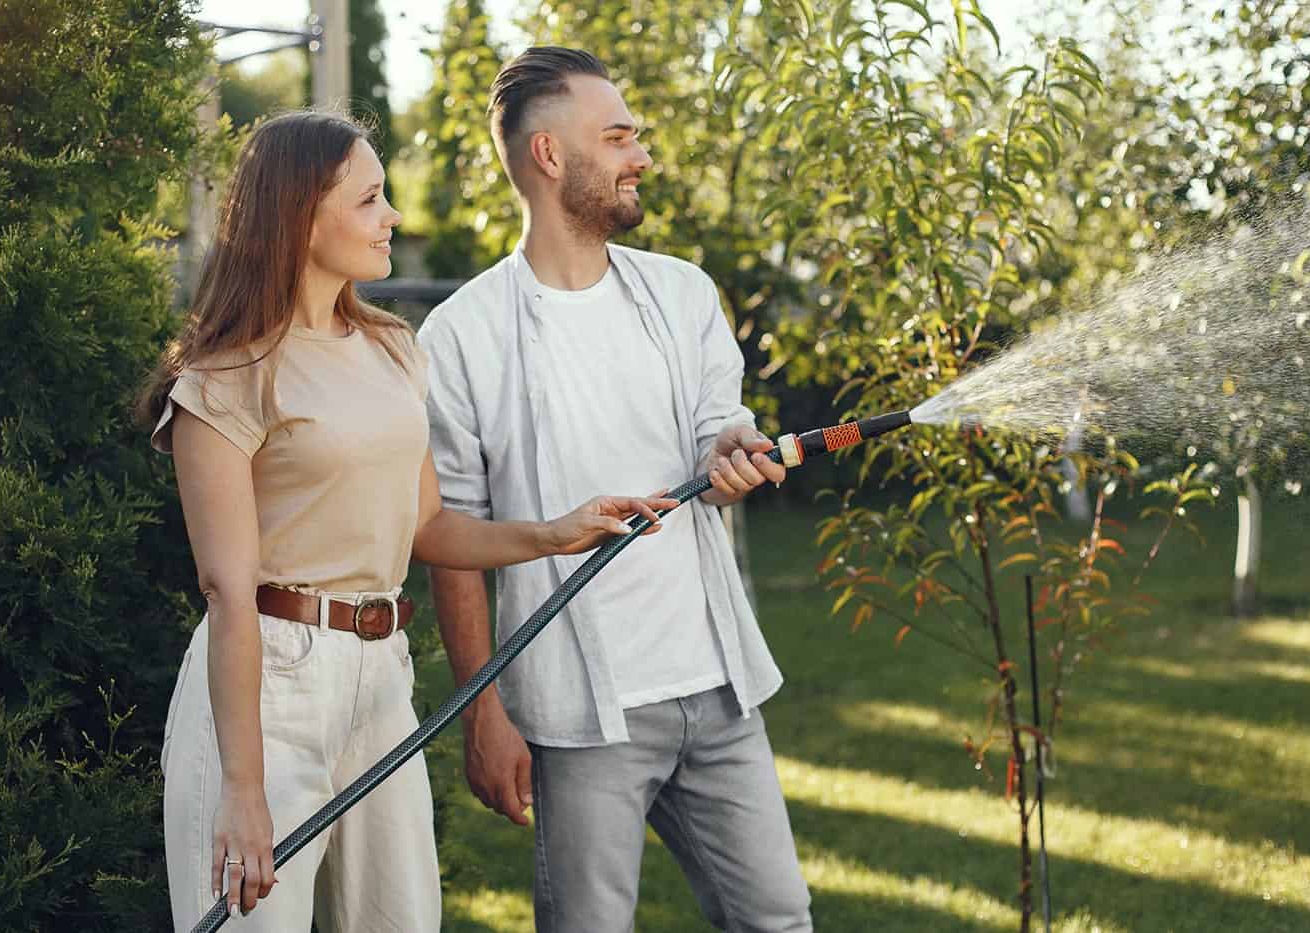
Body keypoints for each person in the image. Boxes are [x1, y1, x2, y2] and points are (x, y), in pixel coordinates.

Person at [139, 110, 675, 931]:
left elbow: (426, 524)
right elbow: (226, 590)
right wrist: (243, 791)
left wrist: (555, 532)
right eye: (370, 199)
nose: (392, 216)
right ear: (299, 216)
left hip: (380, 679)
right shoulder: (225, 378)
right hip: (267, 689)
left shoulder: (391, 347)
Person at [418, 48, 813, 932]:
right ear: (551, 156)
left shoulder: (681, 294)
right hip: (581, 715)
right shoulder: (461, 337)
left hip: (716, 688)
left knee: (780, 919)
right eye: (619, 136)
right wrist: (483, 713)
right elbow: (449, 536)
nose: (641, 155)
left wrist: (735, 451)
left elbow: (724, 427)